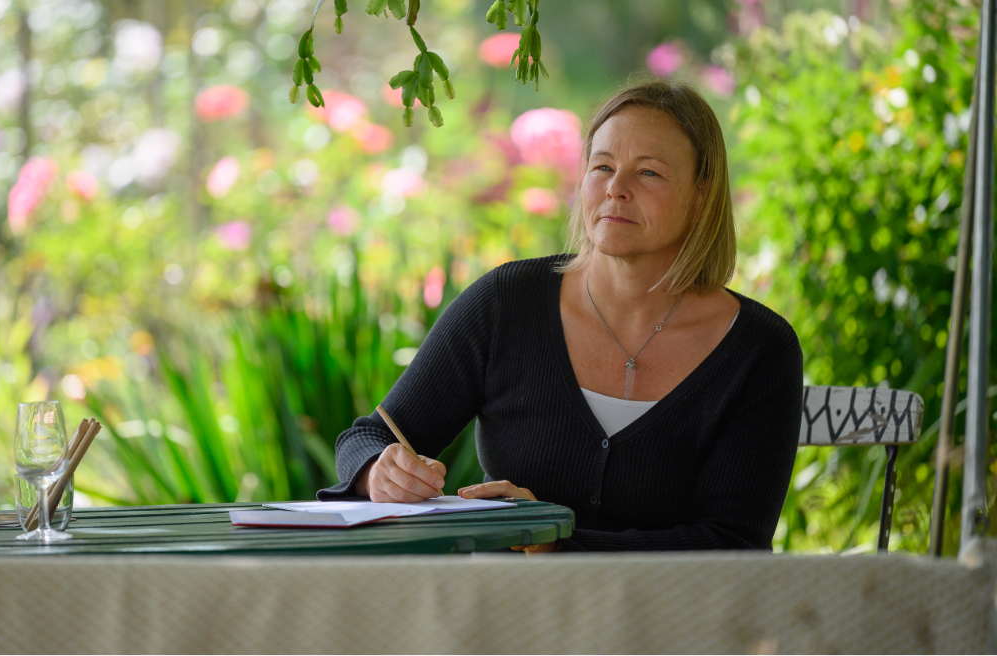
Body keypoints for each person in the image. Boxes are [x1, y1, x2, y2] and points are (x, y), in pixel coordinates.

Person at [317, 78, 804, 552]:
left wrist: (556, 539)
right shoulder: (506, 302)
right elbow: (370, 435)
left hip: (668, 626)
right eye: (602, 166)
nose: (617, 189)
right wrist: (377, 470)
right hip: (503, 616)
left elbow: (734, 542)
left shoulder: (759, 349)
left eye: (648, 172)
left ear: (702, 197)